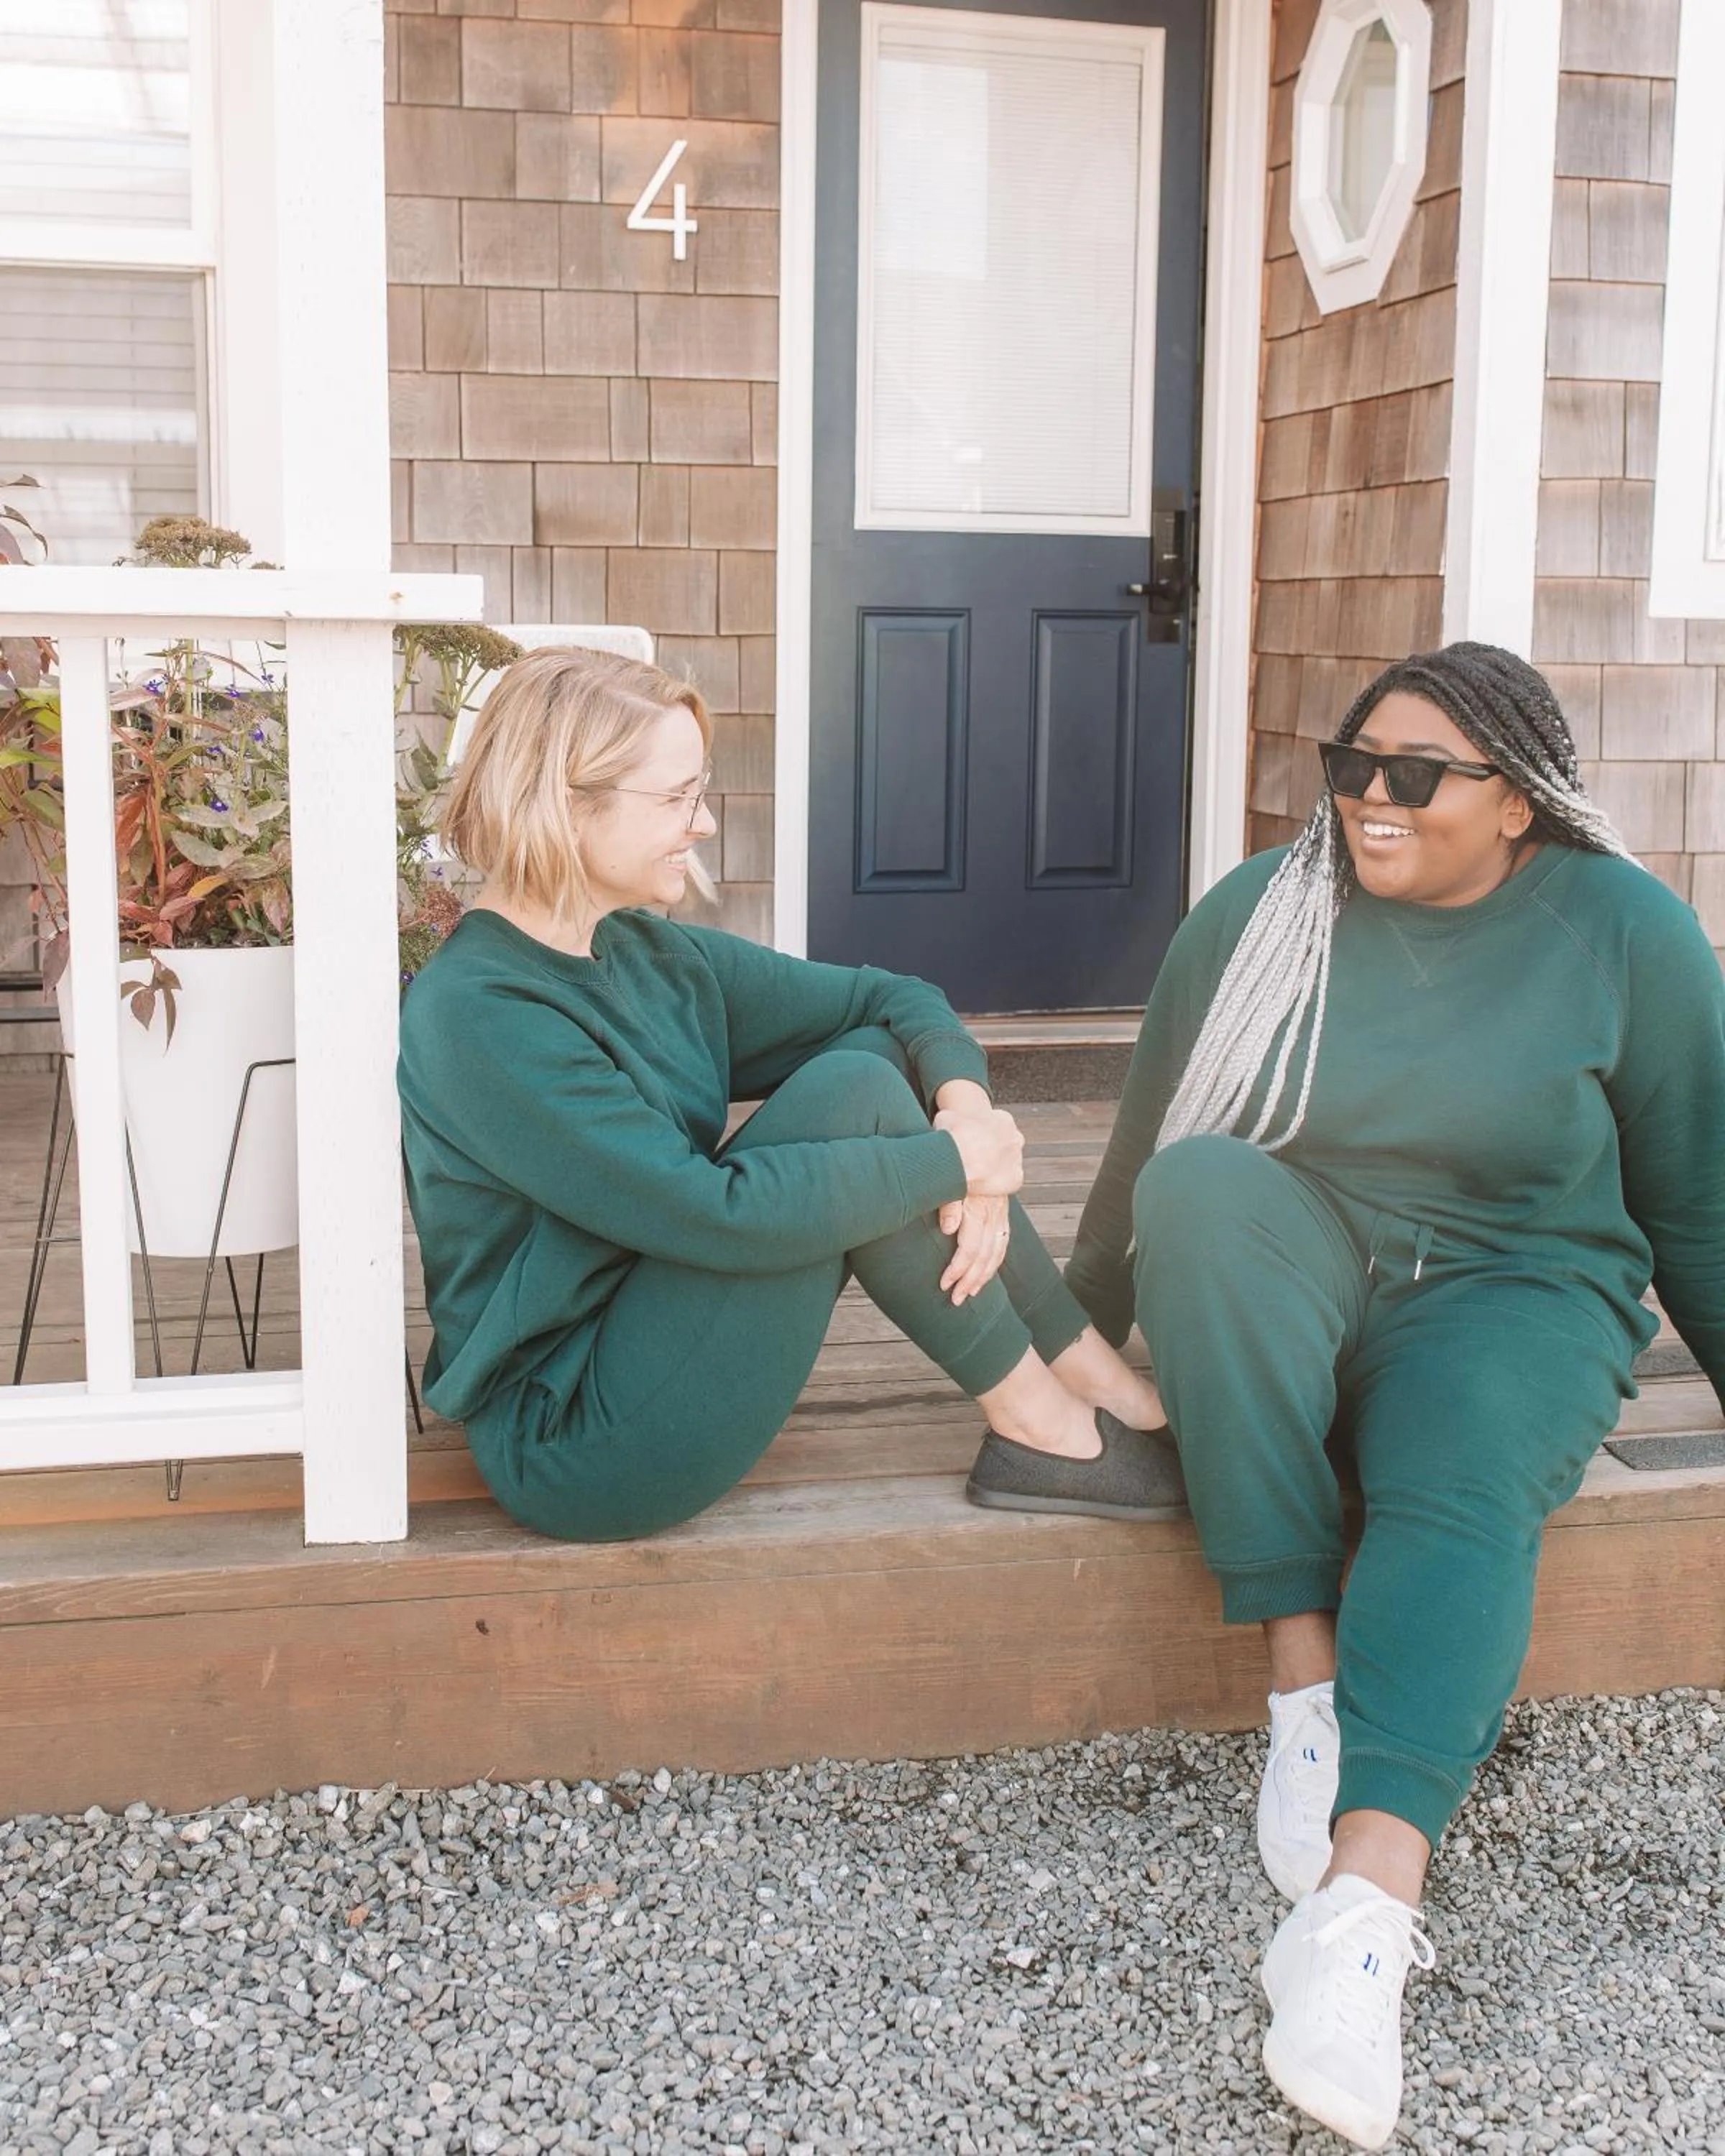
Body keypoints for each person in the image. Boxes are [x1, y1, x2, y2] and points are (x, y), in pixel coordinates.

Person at [1064, 642, 1725, 2151]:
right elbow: (1137, 1165)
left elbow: (1696, 1205)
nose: (1370, 797)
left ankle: (1362, 1917)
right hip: (1303, 1263)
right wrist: (1068, 1349)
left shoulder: (1625, 934)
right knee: (1204, 1190)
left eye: (1415, 775)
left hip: (1515, 1284)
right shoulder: (1264, 913)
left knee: (1467, 1462)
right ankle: (1305, 1681)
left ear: (1517, 803)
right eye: (1351, 765)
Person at [398, 647, 1177, 1548]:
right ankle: (1043, 1420)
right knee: (859, 1100)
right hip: (580, 1436)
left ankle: (1093, 1380)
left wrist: (967, 1114)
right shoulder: (482, 1016)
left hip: (668, 1324)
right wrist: (951, 1162)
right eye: (676, 797)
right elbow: (710, 1213)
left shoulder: (646, 955)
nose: (704, 824)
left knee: (875, 1061)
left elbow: (896, 1001)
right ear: (567, 805)